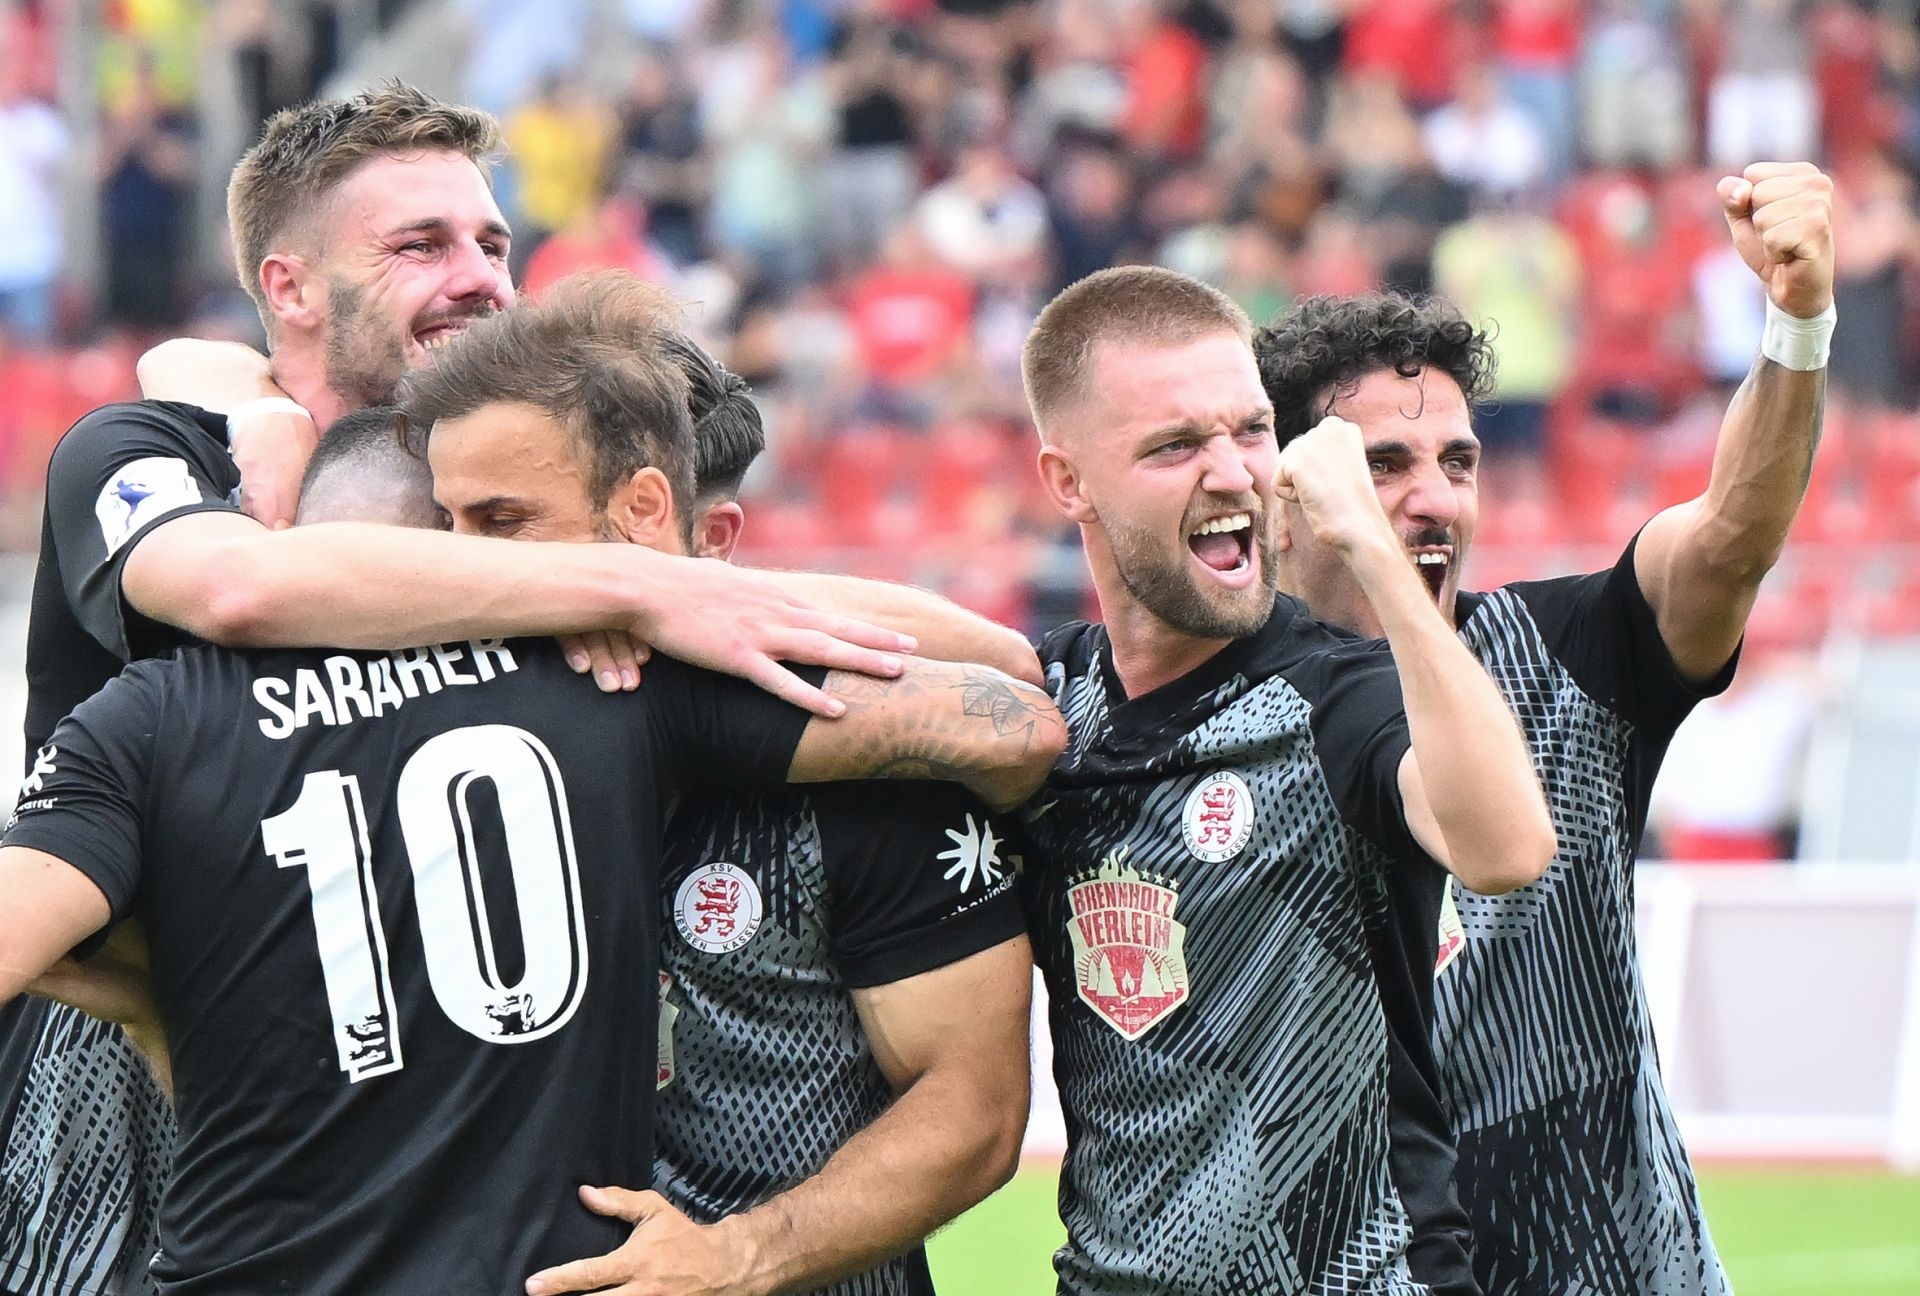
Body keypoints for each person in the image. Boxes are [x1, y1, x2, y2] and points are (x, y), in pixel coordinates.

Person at [4, 82, 911, 1296]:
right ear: (289, 289)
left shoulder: (496, 494)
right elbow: (234, 588)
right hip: (125, 1077)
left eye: (493, 242)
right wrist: (631, 586)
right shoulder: (159, 446)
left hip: (419, 1069)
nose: (481, 278)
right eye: (420, 246)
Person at [1251, 161, 1835, 1296]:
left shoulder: (1569, 655)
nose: (1436, 498)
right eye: (1384, 466)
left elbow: (1729, 539)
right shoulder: (1223, 725)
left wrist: (1798, 324)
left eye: (1457, 462)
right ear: (1285, 495)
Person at [395, 276, 1038, 1296]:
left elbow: (975, 1112)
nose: (465, 572)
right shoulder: (419, 735)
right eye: (449, 527)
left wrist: (736, 1257)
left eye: (505, 521)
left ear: (653, 515)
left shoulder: (858, 761)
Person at [1015, 265, 1556, 1295]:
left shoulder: (1336, 696)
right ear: (1069, 482)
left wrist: (1371, 546)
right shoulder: (1049, 708)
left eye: (1252, 432)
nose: (1232, 474)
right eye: (1176, 445)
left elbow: (1509, 850)